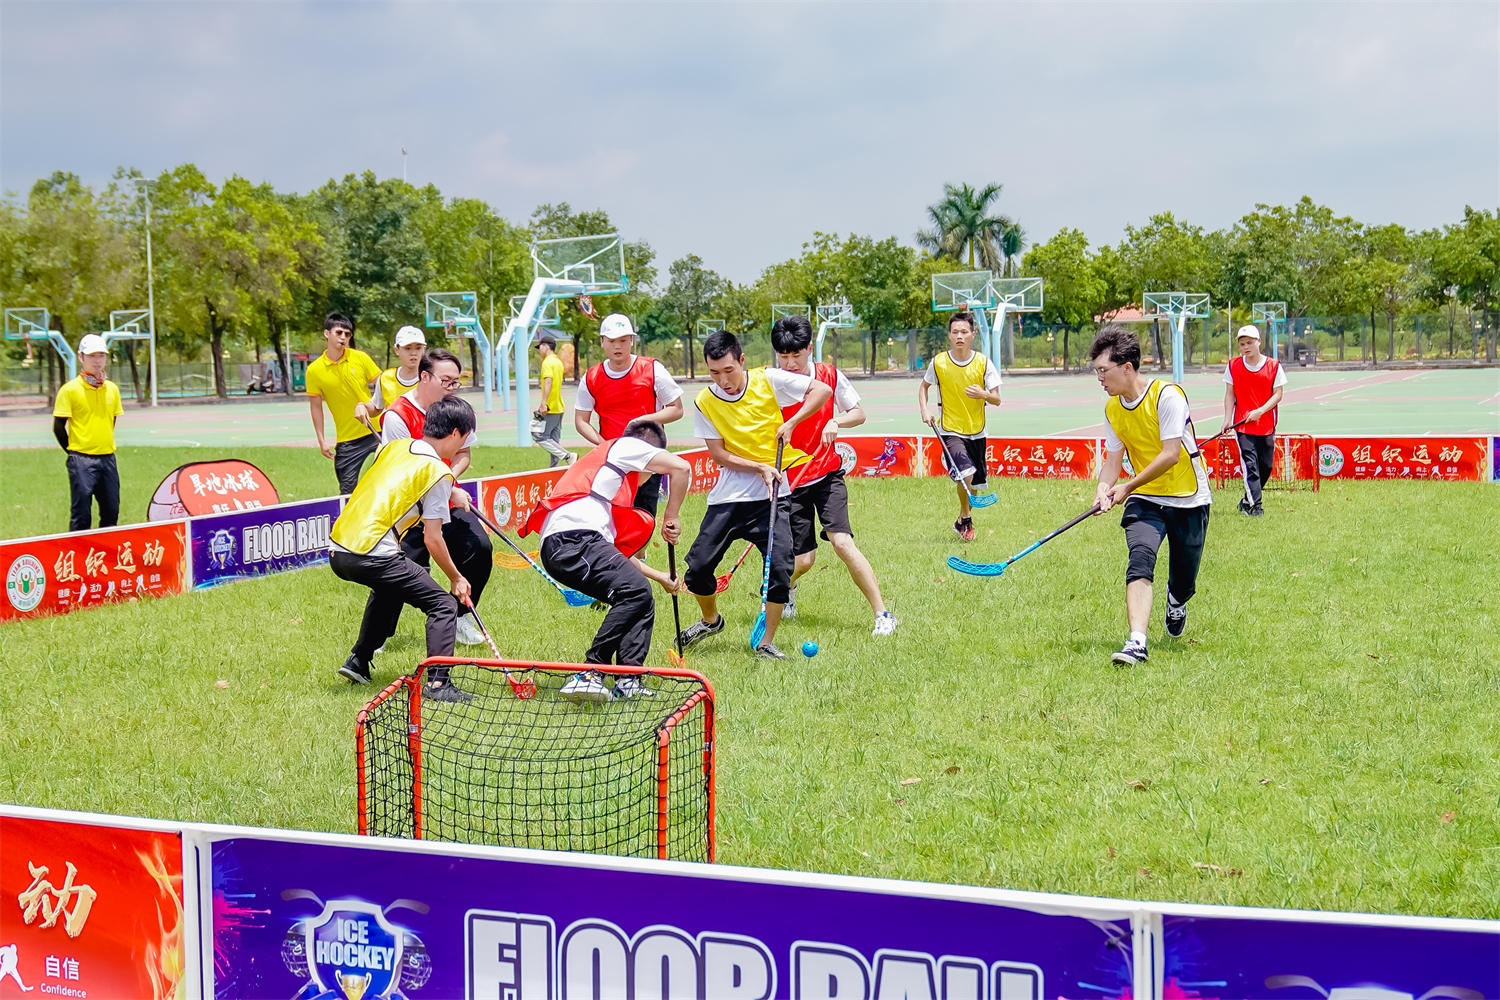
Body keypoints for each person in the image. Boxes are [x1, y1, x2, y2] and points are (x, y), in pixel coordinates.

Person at [677, 330, 833, 660]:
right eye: (714, 373)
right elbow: (718, 454)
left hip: (773, 496)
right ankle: (710, 620)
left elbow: (822, 390)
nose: (723, 380)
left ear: (742, 361)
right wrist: (758, 467)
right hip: (729, 498)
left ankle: (766, 643)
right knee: (698, 569)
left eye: (729, 370)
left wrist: (792, 422)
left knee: (779, 568)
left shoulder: (768, 380)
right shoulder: (705, 401)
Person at [522, 420, 692, 701]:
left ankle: (628, 680)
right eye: (654, 470)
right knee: (635, 592)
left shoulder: (607, 491)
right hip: (572, 540)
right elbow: (682, 468)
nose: (652, 478)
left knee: (641, 597)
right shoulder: (628, 446)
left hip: (569, 543)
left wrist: (660, 576)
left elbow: (617, 559)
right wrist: (671, 515)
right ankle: (590, 672)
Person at [328, 395, 478, 701]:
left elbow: (399, 484)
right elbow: (432, 539)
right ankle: (438, 684)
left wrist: (450, 493)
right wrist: (456, 577)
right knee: (443, 605)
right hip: (373, 551)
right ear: (454, 434)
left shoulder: (394, 447)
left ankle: (358, 661)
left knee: (390, 588)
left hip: (339, 548)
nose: (464, 445)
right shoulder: (438, 472)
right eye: (465, 438)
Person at [1089, 326, 1212, 667]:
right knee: (1140, 558)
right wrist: (1103, 489)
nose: (1100, 378)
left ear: (1127, 367)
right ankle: (1137, 642)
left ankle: (1177, 601)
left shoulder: (1167, 396)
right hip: (1145, 497)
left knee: (1184, 580)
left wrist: (1126, 487)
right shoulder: (1113, 409)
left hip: (1188, 496)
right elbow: (1113, 460)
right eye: (1097, 371)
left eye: (1104, 370)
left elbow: (1170, 455)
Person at [770, 315, 897, 636]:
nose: (790, 364)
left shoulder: (829, 375)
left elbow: (859, 412)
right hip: (790, 482)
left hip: (827, 475)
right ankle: (786, 589)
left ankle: (883, 614)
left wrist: (836, 421)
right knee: (803, 561)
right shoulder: (770, 383)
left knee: (842, 543)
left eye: (796, 355)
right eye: (783, 357)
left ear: (809, 349)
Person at [380, 348, 492, 647]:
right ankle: (375, 638)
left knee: (479, 548)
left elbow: (464, 454)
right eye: (446, 381)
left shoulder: (457, 409)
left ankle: (459, 617)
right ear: (424, 376)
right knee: (396, 570)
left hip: (445, 496)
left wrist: (448, 481)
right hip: (410, 508)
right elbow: (402, 469)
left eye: (456, 382)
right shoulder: (397, 416)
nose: (451, 388)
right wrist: (444, 485)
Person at [573, 312, 685, 515]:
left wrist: (644, 420)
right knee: (612, 516)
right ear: (602, 342)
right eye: (612, 341)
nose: (618, 346)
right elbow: (581, 421)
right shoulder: (591, 377)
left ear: (632, 341)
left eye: (624, 340)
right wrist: (604, 445)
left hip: (648, 455)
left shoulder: (652, 369)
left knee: (643, 516)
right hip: (612, 458)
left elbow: (676, 409)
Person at [917, 311, 1002, 541]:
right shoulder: (939, 362)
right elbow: (923, 387)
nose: (959, 336)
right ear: (949, 335)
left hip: (977, 431)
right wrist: (925, 410)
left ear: (973, 334)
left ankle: (961, 519)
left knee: (974, 487)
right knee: (966, 474)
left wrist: (983, 394)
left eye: (964, 332)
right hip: (950, 430)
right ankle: (966, 520)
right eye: (955, 332)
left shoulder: (983, 363)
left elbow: (997, 399)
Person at [52, 334, 123, 532]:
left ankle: (104, 549)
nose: (97, 361)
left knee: (111, 511)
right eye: (92, 356)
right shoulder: (70, 390)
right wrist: (73, 451)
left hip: (107, 458)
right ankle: (78, 549)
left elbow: (112, 420)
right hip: (81, 459)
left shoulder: (112, 389)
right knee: (82, 513)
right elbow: (58, 427)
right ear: (81, 357)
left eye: (101, 355)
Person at [306, 312, 381, 493]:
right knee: (347, 492)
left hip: (377, 430)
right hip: (347, 439)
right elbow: (316, 407)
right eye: (339, 333)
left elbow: (383, 386)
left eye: (347, 334)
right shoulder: (314, 370)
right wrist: (322, 440)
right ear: (326, 333)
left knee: (387, 482)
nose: (343, 337)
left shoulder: (360, 358)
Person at [1221, 323, 1287, 517]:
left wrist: (1260, 411)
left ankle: (1245, 500)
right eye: (1242, 344)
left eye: (1249, 342)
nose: (1246, 347)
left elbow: (1278, 394)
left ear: (1259, 342)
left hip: (1266, 424)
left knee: (1266, 466)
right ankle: (1256, 507)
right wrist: (1227, 419)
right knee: (1251, 466)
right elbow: (1229, 394)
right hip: (1243, 426)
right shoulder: (1233, 365)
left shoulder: (1274, 366)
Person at [355, 324, 426, 431]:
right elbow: (376, 408)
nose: (413, 353)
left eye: (418, 348)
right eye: (407, 348)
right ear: (397, 350)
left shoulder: (431, 378)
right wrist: (362, 406)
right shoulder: (385, 378)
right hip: (395, 438)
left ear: (424, 349)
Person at [532, 334, 574, 467]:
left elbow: (548, 381)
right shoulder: (558, 362)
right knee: (554, 440)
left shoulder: (547, 362)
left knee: (538, 436)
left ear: (546, 347)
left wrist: (543, 403)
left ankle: (568, 455)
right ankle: (553, 469)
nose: (539, 350)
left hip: (550, 407)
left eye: (540, 347)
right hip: (559, 406)